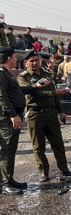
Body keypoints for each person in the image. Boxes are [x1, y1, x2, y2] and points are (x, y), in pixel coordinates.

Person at [17, 50, 71, 182]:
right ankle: (44, 171)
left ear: (40, 61)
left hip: (50, 113)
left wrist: (61, 110)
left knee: (58, 143)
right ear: (26, 62)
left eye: (36, 60)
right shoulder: (23, 77)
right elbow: (33, 94)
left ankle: (64, 169)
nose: (34, 63)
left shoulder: (47, 74)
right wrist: (53, 91)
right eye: (31, 61)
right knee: (38, 146)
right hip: (35, 114)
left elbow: (55, 97)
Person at [0, 47, 27, 194]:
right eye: (15, 57)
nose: (17, 59)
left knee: (10, 149)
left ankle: (8, 179)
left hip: (10, 116)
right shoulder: (1, 73)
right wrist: (13, 115)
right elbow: (2, 96)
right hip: (6, 118)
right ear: (9, 58)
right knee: (7, 149)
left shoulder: (6, 74)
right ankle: (5, 184)